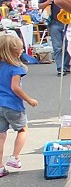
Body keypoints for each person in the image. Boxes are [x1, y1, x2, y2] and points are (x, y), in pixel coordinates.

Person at [0, 35, 38, 176]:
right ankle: (15, 157)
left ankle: (0, 167)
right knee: (22, 129)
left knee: (1, 135)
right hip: (12, 105)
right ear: (14, 51)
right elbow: (15, 88)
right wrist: (29, 100)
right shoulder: (16, 69)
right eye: (21, 48)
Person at [39, 0, 70, 75]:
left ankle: (66, 66)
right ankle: (60, 68)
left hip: (67, 22)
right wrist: (47, 3)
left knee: (67, 45)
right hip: (54, 22)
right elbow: (39, 6)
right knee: (57, 46)